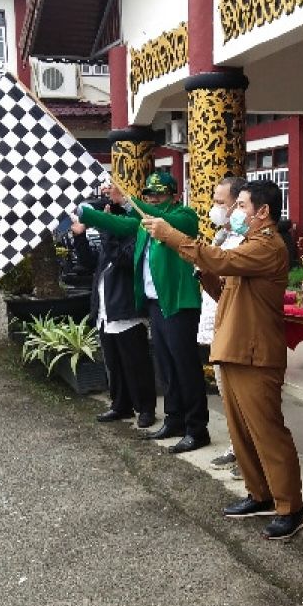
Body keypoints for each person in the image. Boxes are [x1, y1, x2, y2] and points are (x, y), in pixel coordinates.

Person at [140, 180, 303, 541]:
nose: (233, 213)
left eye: (241, 206)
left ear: (263, 212)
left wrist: (172, 235)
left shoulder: (268, 246)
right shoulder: (248, 244)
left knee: (266, 431)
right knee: (241, 430)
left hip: (255, 351)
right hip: (233, 346)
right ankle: (260, 494)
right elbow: (225, 291)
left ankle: (290, 507)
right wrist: (207, 276)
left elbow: (222, 259)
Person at [79, 171, 209, 454]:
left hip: (178, 303)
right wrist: (85, 213)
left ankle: (197, 428)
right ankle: (174, 419)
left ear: (174, 195)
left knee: (186, 368)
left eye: (159, 194)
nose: (153, 199)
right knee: (166, 367)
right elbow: (116, 222)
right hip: (154, 304)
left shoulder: (184, 216)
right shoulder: (142, 222)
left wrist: (131, 201)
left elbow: (163, 220)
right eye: (150, 194)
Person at [70, 195, 157, 429]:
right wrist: (79, 237)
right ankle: (120, 404)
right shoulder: (110, 242)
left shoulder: (130, 237)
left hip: (127, 313)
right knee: (114, 364)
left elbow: (123, 260)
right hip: (106, 312)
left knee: (136, 364)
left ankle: (146, 408)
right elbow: (88, 263)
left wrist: (108, 231)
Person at [198, 176, 247, 473]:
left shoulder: (248, 242)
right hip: (218, 323)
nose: (215, 208)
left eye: (222, 203)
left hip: (237, 328)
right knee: (226, 392)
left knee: (244, 397)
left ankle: (251, 455)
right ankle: (236, 446)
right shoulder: (222, 236)